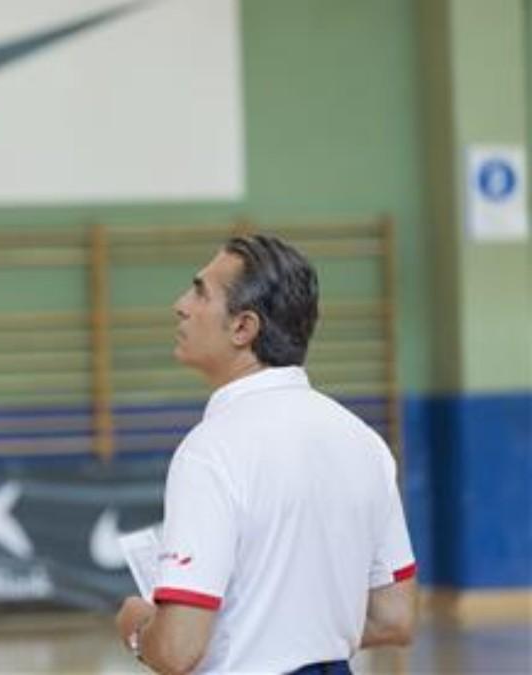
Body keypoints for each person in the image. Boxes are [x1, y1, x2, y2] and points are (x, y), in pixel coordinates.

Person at [115, 235, 417, 674]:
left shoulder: (210, 451)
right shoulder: (364, 442)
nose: (180, 305)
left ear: (243, 328)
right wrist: (283, 630)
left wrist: (138, 626)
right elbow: (395, 617)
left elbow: (178, 649)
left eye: (200, 292)